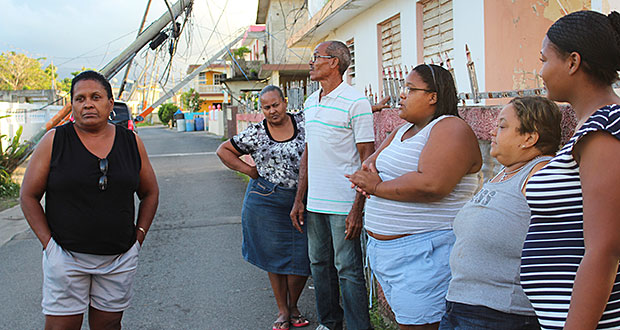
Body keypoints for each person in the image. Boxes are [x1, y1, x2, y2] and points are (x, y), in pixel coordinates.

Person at [20, 70, 159, 330]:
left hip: (118, 258)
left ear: (110, 103)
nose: (88, 104)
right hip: (66, 257)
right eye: (80, 98)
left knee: (108, 326)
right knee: (61, 327)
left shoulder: (131, 142)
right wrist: (50, 247)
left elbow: (150, 192)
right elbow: (28, 195)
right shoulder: (55, 140)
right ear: (72, 105)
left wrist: (137, 239)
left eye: (96, 97)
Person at [346, 64, 482, 330]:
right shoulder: (400, 132)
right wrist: (370, 179)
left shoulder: (450, 128)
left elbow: (432, 185)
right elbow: (368, 168)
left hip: (425, 254)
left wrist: (376, 187)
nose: (402, 95)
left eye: (410, 89)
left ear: (433, 96)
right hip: (388, 253)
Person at [519, 10, 620, 330]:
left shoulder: (603, 130)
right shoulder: (591, 129)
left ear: (573, 62)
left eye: (545, 60)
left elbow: (605, 249)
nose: (541, 71)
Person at [438, 96, 562, 330]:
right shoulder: (505, 172)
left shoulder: (541, 172)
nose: (492, 132)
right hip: (461, 305)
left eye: (502, 127)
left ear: (529, 137)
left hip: (501, 314)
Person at [290, 40, 374, 330]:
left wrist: (357, 209)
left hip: (343, 204)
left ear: (334, 62)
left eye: (317, 57)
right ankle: (330, 323)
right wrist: (300, 198)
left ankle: (358, 326)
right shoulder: (311, 101)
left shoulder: (356, 102)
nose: (311, 63)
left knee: (348, 270)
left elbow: (367, 161)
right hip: (315, 204)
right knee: (319, 266)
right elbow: (308, 153)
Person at [217, 85, 311, 330]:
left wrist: (370, 109)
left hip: (301, 199)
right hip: (265, 200)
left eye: (276, 105)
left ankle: (294, 305)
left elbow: (335, 119)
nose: (272, 111)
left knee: (302, 257)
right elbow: (223, 150)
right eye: (266, 107)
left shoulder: (304, 121)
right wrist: (249, 171)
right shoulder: (257, 132)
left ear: (285, 102)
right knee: (273, 258)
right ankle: (284, 310)